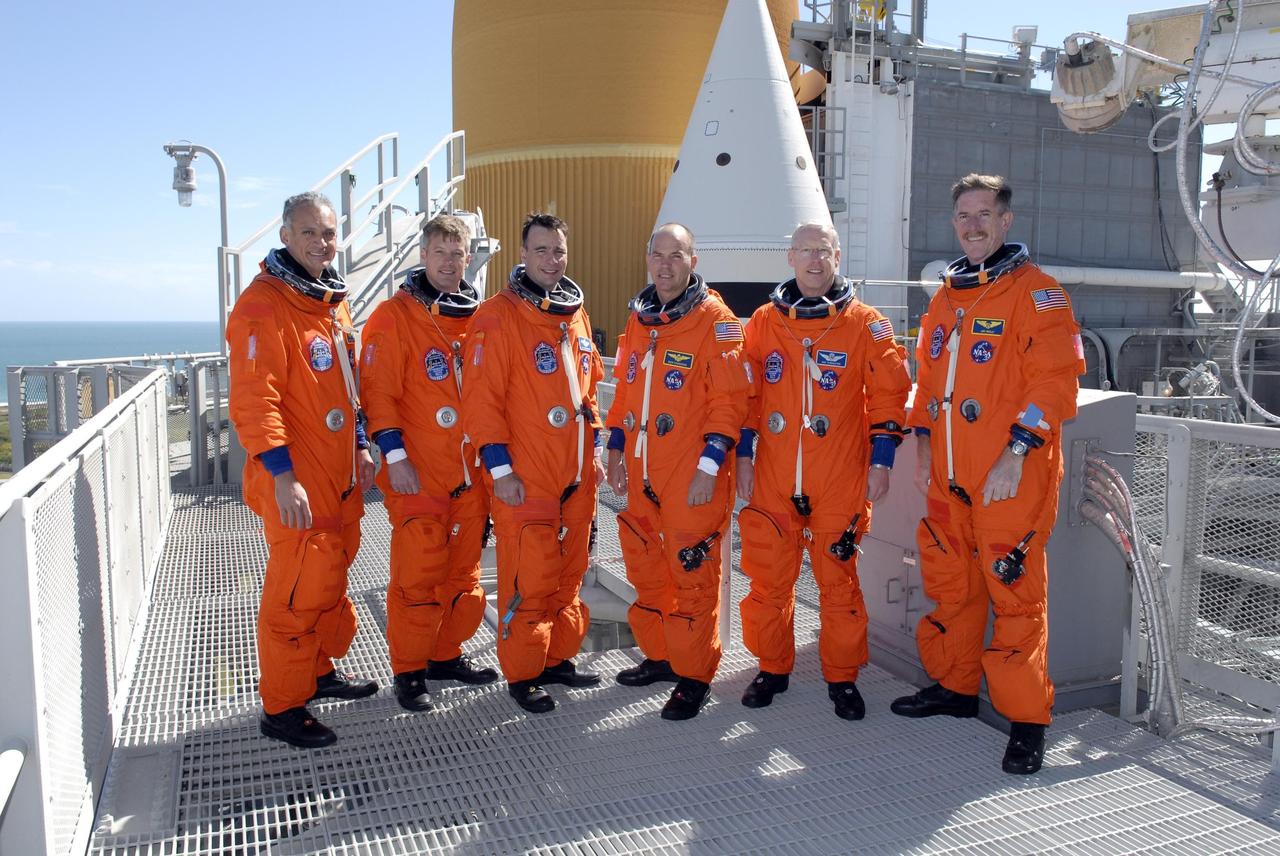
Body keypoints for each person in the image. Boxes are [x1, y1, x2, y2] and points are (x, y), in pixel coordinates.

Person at [892, 173, 1085, 775]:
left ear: (1006, 221)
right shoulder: (947, 297)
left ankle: (1028, 722)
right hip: (949, 475)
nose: (972, 225)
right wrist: (923, 439)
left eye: (984, 214)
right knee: (953, 582)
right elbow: (928, 379)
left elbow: (1054, 384)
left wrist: (1016, 452)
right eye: (963, 217)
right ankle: (955, 688)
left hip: (1009, 475)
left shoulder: (1038, 294)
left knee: (1015, 593)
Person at [736, 222, 911, 721]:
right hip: (772, 477)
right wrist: (744, 457)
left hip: (840, 479)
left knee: (839, 584)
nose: (814, 259)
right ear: (790, 257)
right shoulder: (765, 323)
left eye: (824, 250)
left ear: (837, 256)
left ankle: (842, 676)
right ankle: (772, 668)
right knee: (769, 582)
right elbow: (745, 397)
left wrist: (881, 462)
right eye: (805, 250)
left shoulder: (865, 324)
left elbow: (889, 397)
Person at [227, 191, 378, 748]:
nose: (322, 242)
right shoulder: (262, 305)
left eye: (330, 233)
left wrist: (361, 445)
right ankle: (283, 709)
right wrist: (282, 475)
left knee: (328, 581)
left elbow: (349, 386)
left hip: (336, 476)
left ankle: (315, 674)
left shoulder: (329, 302)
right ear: (286, 235)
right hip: (295, 479)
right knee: (295, 593)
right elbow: (253, 400)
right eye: (309, 232)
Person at [461, 213, 605, 714]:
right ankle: (523, 674)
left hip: (576, 473)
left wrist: (595, 453)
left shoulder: (576, 313)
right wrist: (500, 471)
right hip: (526, 475)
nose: (551, 260)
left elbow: (586, 392)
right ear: (523, 256)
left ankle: (556, 659)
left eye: (558, 250)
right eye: (541, 250)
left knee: (569, 574)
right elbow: (480, 402)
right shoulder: (497, 317)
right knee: (529, 579)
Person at [605, 223, 750, 720]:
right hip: (645, 471)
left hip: (692, 474)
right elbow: (625, 391)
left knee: (692, 575)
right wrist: (616, 448)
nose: (665, 265)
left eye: (676, 255)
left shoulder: (717, 321)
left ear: (693, 260)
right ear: (648, 259)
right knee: (647, 567)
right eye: (657, 255)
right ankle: (662, 657)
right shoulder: (641, 319)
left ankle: (694, 676)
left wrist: (710, 467)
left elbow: (730, 402)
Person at [359, 214, 497, 714]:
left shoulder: (481, 319)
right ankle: (409, 671)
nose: (448, 262)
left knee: (462, 577)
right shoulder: (393, 318)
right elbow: (378, 396)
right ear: (422, 255)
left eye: (457, 254)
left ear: (468, 258)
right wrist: (393, 457)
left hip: (469, 476)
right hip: (417, 473)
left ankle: (444, 654)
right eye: (439, 252)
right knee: (417, 577)